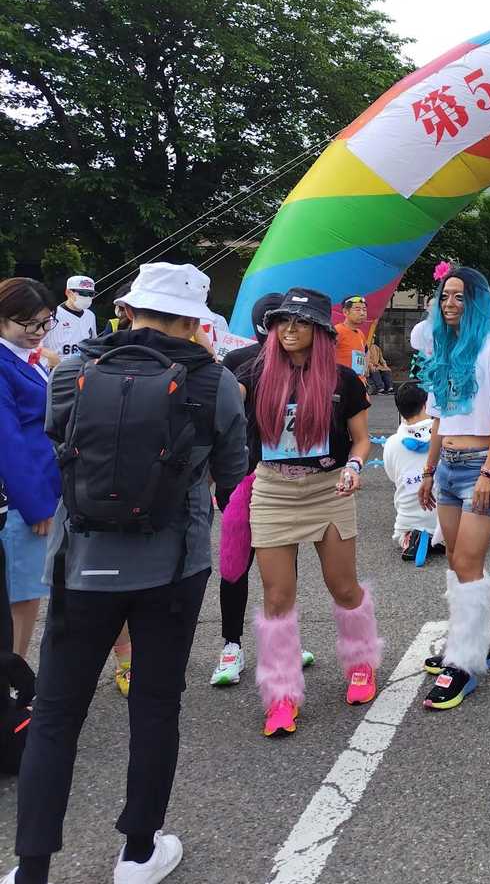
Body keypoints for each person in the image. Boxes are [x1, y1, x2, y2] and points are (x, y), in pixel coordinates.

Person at [11, 262, 248, 884]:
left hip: (81, 563)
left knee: (56, 712)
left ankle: (31, 866)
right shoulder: (215, 383)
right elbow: (233, 474)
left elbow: (60, 447)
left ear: (128, 310)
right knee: (155, 704)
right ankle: (139, 852)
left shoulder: (72, 372)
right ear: (194, 322)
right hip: (172, 567)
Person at [240, 287, 380, 738]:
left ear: (320, 331)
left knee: (343, 586)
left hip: (328, 488)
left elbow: (362, 440)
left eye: (301, 322)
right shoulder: (254, 374)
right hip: (273, 490)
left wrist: (355, 467)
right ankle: (280, 693)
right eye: (283, 321)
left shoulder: (343, 381)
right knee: (277, 596)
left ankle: (361, 663)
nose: (290, 329)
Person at [416, 267, 490, 711]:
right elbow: (439, 418)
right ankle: (473, 644)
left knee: (469, 562)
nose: (449, 304)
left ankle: (464, 664)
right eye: (444, 296)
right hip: (448, 467)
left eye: (458, 296)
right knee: (457, 561)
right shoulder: (445, 349)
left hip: (480, 465)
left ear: (476, 302)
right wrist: (428, 470)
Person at [211, 292, 320, 687]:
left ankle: (285, 642)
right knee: (235, 563)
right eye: (279, 321)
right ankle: (232, 644)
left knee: (285, 567)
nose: (287, 330)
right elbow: (221, 419)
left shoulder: (307, 366)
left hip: (285, 478)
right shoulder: (240, 362)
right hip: (241, 477)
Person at [0, 279, 60, 662]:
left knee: (26, 595)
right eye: (28, 324)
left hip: (37, 488)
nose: (38, 332)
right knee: (21, 598)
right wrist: (36, 505)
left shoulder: (26, 358)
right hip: (22, 499)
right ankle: (14, 679)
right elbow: (8, 442)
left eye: (45, 322)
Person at [384, 381, 442, 560]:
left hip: (407, 519)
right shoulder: (443, 434)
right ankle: (442, 537)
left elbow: (393, 477)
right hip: (446, 516)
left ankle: (410, 536)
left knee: (403, 526)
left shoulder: (392, 442)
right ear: (426, 404)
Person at [39, 275, 96, 363]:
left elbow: (93, 342)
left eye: (91, 294)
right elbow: (34, 344)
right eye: (83, 293)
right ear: (68, 292)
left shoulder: (90, 315)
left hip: (81, 366)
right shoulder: (52, 315)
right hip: (55, 367)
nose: (87, 297)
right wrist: (50, 355)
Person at [333, 295, 370, 380]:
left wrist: (365, 368)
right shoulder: (337, 331)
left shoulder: (360, 333)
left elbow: (367, 351)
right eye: (357, 310)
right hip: (342, 382)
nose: (362, 313)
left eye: (364, 310)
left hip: (359, 382)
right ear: (345, 312)